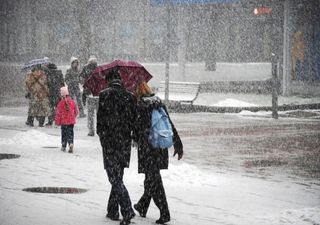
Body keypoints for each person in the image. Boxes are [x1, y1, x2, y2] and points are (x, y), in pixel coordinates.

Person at [132, 82, 183, 224]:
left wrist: (134, 137)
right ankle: (142, 206)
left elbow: (138, 130)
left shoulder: (141, 106)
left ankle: (164, 212)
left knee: (154, 181)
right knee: (151, 178)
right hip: (160, 146)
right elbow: (169, 123)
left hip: (148, 148)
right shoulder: (158, 102)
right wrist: (177, 143)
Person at [97, 69, 136, 225]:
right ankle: (112, 210)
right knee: (118, 176)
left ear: (109, 81)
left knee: (113, 178)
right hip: (124, 143)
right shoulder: (130, 97)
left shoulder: (104, 95)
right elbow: (134, 121)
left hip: (110, 144)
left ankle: (127, 209)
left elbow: (100, 123)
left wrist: (104, 140)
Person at [55, 86, 78, 153]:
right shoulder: (72, 102)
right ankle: (71, 143)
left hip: (64, 122)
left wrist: (57, 122)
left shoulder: (60, 103)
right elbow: (76, 112)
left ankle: (63, 145)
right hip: (71, 122)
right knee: (70, 133)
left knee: (64, 133)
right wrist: (73, 117)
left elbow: (58, 114)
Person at [79, 55, 98, 136]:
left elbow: (80, 78)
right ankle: (98, 129)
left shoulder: (86, 68)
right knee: (98, 114)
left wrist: (84, 83)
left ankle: (91, 130)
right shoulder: (99, 69)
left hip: (90, 94)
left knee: (90, 114)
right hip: (97, 95)